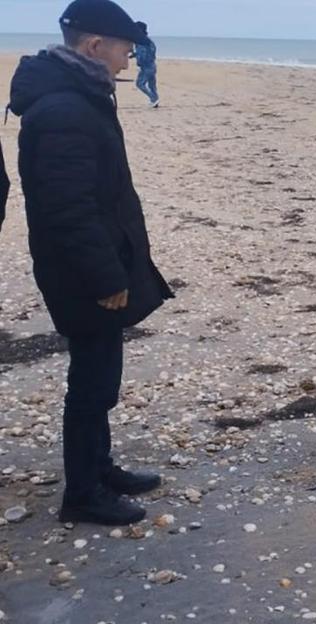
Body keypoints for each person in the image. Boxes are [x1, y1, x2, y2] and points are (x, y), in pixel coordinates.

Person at [8, 0, 174, 525]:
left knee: (99, 373)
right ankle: (82, 494)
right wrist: (106, 276)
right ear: (94, 45)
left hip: (92, 261)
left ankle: (99, 468)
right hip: (82, 270)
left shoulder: (80, 97)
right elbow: (68, 208)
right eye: (125, 50)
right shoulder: (64, 109)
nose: (129, 62)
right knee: (92, 382)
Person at [132, 21, 158, 108]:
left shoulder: (141, 41)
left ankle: (153, 99)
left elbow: (143, 55)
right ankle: (155, 101)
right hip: (152, 65)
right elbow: (150, 52)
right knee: (152, 85)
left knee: (140, 84)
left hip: (146, 67)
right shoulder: (148, 41)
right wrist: (134, 55)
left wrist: (139, 63)